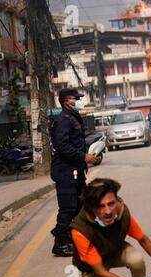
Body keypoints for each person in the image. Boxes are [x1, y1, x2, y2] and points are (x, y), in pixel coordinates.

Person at [71, 178, 151, 277]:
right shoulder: (80, 230)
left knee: (136, 259)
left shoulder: (121, 213)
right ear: (91, 208)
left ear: (117, 200)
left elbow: (143, 240)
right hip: (93, 268)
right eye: (100, 206)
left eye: (111, 203)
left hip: (114, 251)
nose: (108, 211)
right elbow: (101, 271)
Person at [50, 88, 98, 257]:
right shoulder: (63, 120)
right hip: (65, 171)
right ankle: (60, 243)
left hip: (75, 169)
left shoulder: (72, 117)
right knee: (68, 207)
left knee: (79, 204)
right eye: (74, 99)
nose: (76, 101)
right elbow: (62, 146)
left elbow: (76, 142)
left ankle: (73, 236)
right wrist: (84, 156)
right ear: (65, 101)